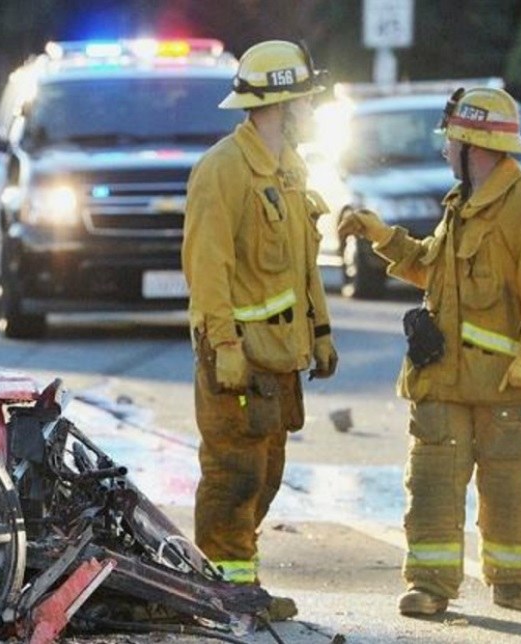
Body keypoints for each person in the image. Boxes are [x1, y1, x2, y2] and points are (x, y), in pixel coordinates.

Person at [339, 87, 521, 616]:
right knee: (432, 483)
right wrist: (383, 237)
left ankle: (514, 581)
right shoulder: (460, 205)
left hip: (505, 384)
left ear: (475, 146)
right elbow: (432, 271)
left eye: (451, 141)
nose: (444, 149)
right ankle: (430, 586)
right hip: (443, 378)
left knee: (508, 484)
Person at [182, 40, 337, 622]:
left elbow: (303, 265)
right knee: (233, 478)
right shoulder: (223, 170)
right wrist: (223, 345)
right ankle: (223, 596)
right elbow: (208, 268)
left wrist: (320, 331)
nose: (312, 111)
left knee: (266, 476)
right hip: (238, 360)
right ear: (282, 104)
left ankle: (233, 587)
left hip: (278, 361)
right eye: (306, 101)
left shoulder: (288, 171)